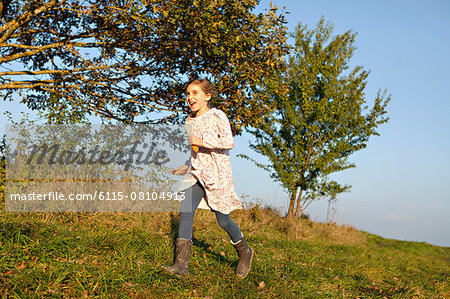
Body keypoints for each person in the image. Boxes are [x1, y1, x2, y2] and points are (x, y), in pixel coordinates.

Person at [161, 78, 254, 278]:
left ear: (207, 96)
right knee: (185, 212)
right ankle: (181, 266)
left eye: (195, 93)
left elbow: (229, 142)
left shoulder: (217, 116)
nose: (190, 97)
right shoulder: (189, 121)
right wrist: (186, 165)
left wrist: (201, 141)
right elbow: (195, 150)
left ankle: (245, 253)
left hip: (216, 175)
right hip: (195, 173)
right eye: (187, 93)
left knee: (223, 221)